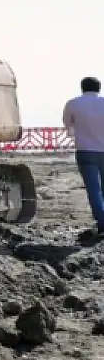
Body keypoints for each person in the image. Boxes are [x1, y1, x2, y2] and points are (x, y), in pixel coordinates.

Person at [62, 76, 104, 239]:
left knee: (94, 189)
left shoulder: (73, 103)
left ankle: (101, 222)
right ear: (99, 88)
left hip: (86, 150)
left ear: (82, 88)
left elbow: (68, 126)